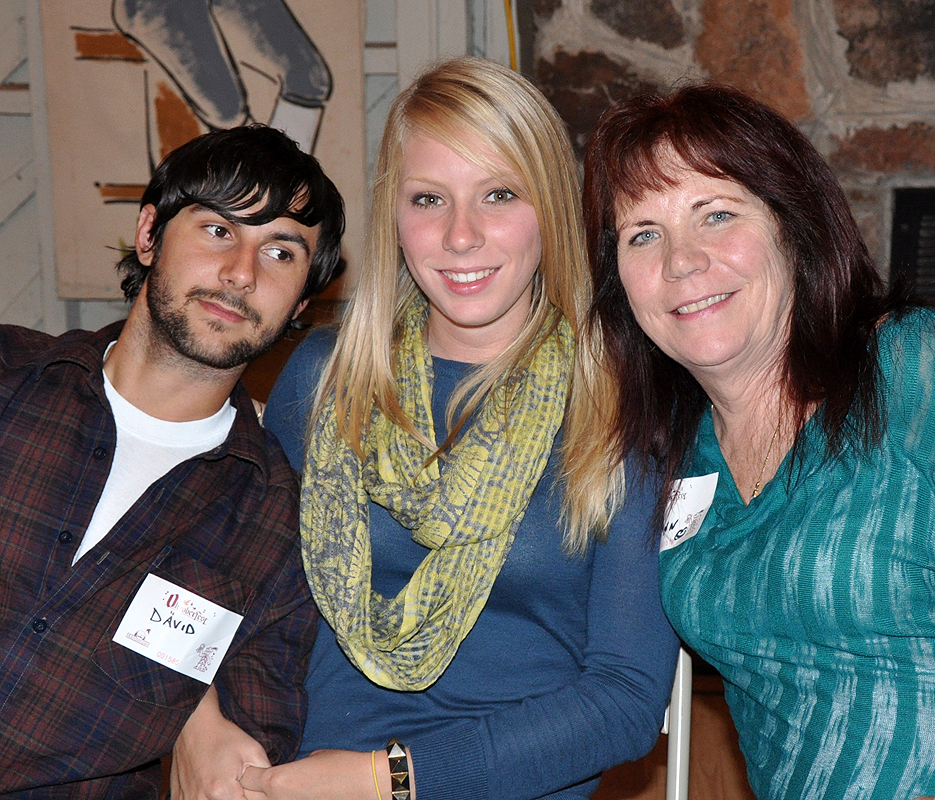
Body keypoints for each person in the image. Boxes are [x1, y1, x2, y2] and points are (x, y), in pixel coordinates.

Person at [188, 56, 677, 800]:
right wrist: (198, 722)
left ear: (549, 205)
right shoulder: (323, 376)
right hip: (282, 776)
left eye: (499, 195)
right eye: (428, 198)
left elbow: (622, 702)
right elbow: (209, 575)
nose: (459, 236)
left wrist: (383, 781)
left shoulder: (622, 402)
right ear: (396, 215)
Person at [584, 82, 935, 799]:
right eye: (642, 233)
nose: (681, 261)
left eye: (716, 214)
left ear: (792, 226)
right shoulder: (670, 457)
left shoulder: (910, 371)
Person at [0, 124, 343, 798]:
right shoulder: (11, 376)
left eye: (279, 251)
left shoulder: (280, 531)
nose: (241, 273)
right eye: (218, 230)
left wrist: (205, 718)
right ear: (149, 234)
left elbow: (235, 770)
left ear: (302, 302)